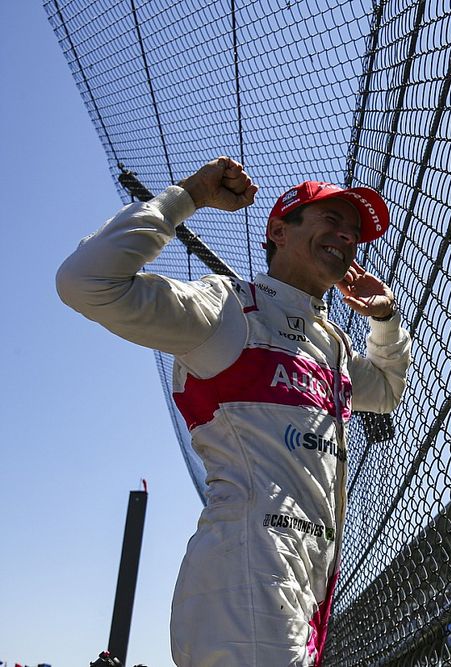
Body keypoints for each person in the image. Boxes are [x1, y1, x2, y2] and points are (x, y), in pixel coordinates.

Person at [57, 157, 412, 666]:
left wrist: (383, 318)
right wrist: (190, 196)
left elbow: (384, 389)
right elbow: (85, 280)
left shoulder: (329, 342)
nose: (346, 235)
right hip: (247, 571)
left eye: (354, 230)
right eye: (330, 220)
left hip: (308, 580)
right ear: (279, 232)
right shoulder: (228, 308)